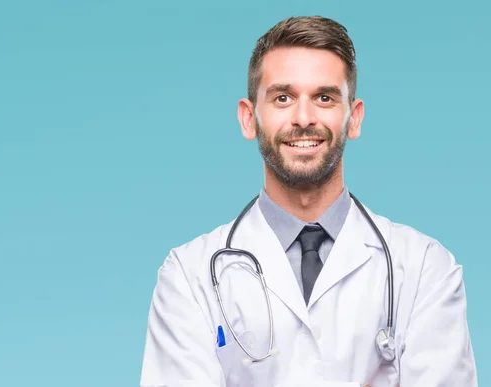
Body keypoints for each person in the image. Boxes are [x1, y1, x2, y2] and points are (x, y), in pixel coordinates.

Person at [139, 15, 478, 387]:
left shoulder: (425, 269)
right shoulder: (189, 276)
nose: (304, 118)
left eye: (324, 97)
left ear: (354, 118)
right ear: (249, 119)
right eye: (282, 98)